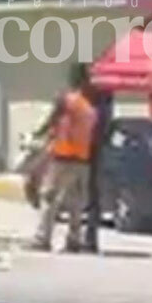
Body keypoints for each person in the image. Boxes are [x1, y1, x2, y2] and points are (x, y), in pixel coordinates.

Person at [30, 64, 99, 253]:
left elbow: (52, 118)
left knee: (49, 198)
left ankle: (42, 239)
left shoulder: (67, 99)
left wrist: (38, 134)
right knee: (76, 203)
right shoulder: (90, 107)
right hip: (82, 160)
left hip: (62, 156)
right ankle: (74, 241)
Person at [82, 90, 113, 253]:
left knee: (87, 197)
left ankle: (88, 239)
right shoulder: (106, 111)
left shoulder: (95, 111)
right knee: (93, 198)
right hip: (97, 154)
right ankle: (90, 239)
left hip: (88, 154)